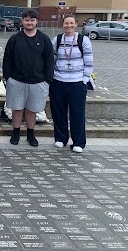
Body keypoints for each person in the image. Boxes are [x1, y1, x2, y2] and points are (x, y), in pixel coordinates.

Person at [3, 8, 53, 147]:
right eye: (26, 20)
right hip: (17, 81)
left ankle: (31, 134)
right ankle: (16, 132)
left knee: (32, 110)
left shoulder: (44, 39)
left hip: (38, 82)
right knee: (17, 109)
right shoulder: (14, 39)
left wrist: (47, 80)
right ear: (22, 21)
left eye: (32, 20)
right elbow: (7, 59)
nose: (29, 22)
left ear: (36, 21)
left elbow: (49, 61)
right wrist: (8, 78)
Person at [50, 14, 93, 153]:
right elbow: (52, 60)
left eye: (71, 23)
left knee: (77, 113)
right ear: (62, 25)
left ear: (76, 24)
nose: (68, 26)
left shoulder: (83, 40)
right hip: (59, 81)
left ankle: (78, 142)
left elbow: (89, 62)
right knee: (58, 112)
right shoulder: (56, 40)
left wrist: (84, 80)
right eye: (66, 23)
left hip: (77, 82)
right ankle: (61, 138)